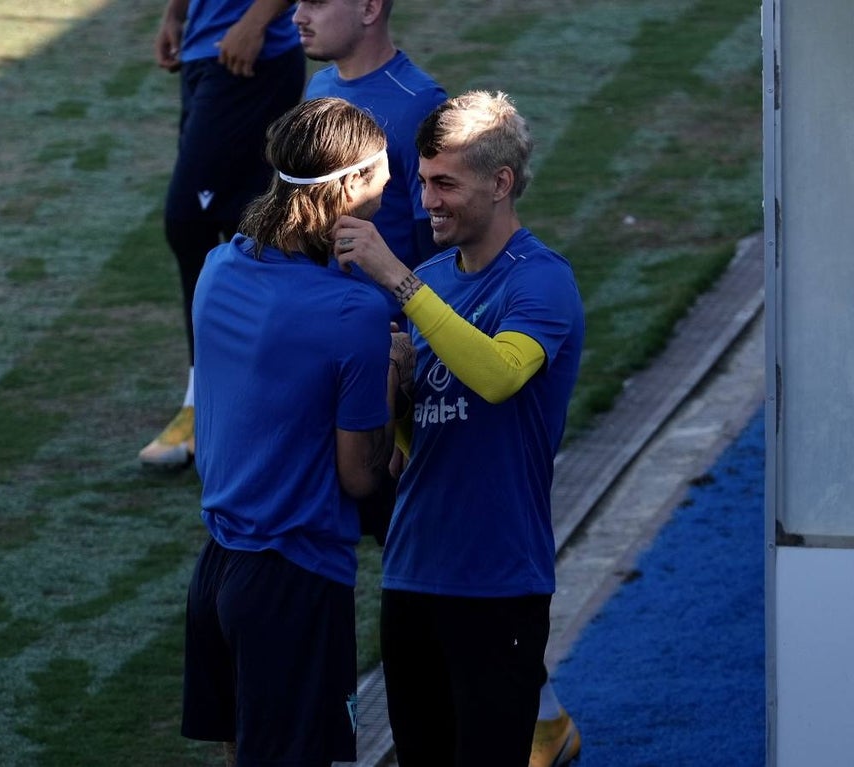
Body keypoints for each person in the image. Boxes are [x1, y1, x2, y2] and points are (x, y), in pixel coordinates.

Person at [295, 7, 580, 763]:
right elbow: (417, 438)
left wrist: (393, 278)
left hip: (498, 580)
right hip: (413, 572)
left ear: (503, 182)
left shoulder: (542, 286)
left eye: (445, 184)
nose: (427, 204)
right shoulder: (431, 281)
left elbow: (495, 377)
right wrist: (392, 391)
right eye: (421, 183)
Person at [180, 97, 402, 766]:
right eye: (385, 172)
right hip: (294, 582)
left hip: (216, 570)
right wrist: (390, 382)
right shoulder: (354, 309)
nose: (395, 184)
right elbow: (359, 472)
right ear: (353, 185)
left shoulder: (219, 269)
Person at [141, 0, 305, 468]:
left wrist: (256, 20)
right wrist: (175, 13)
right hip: (206, 50)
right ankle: (236, 407)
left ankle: (218, 406)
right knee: (235, 223)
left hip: (249, 54)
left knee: (198, 222)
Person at [293, 0, 446, 303]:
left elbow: (437, 239)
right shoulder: (319, 87)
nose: (298, 16)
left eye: (316, 3)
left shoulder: (419, 104)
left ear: (369, 9)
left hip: (392, 333)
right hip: (325, 312)